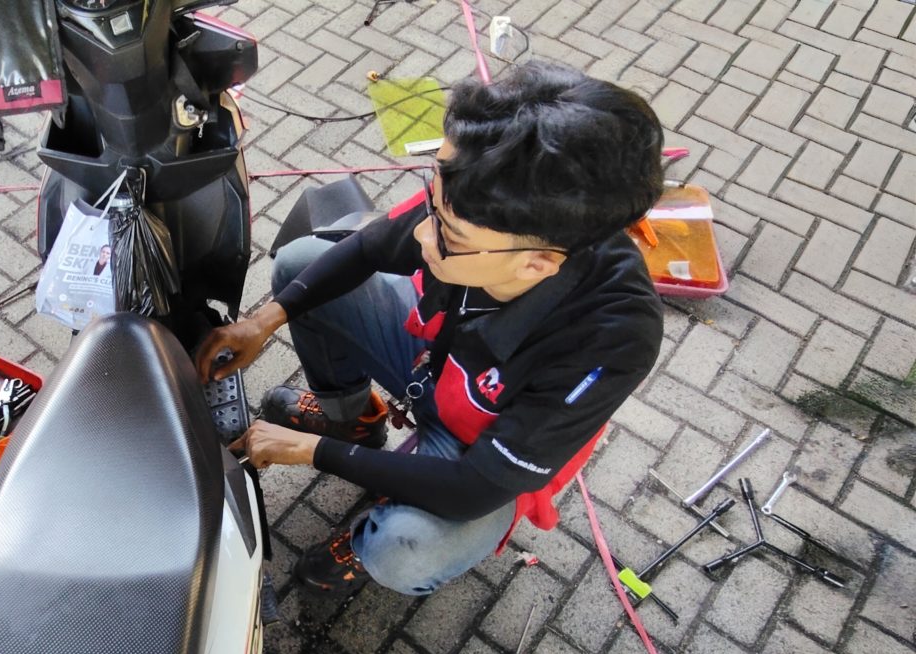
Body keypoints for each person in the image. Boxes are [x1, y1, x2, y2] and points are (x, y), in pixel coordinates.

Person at [197, 61, 666, 597]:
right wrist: (262, 321)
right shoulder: (485, 197)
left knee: (407, 550)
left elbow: (474, 489)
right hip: (432, 365)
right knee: (301, 263)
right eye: (434, 202)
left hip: (476, 451)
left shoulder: (613, 337)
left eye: (449, 234)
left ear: (535, 264)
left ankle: (371, 534)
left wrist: (310, 452)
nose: (422, 235)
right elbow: (369, 248)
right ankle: (354, 422)